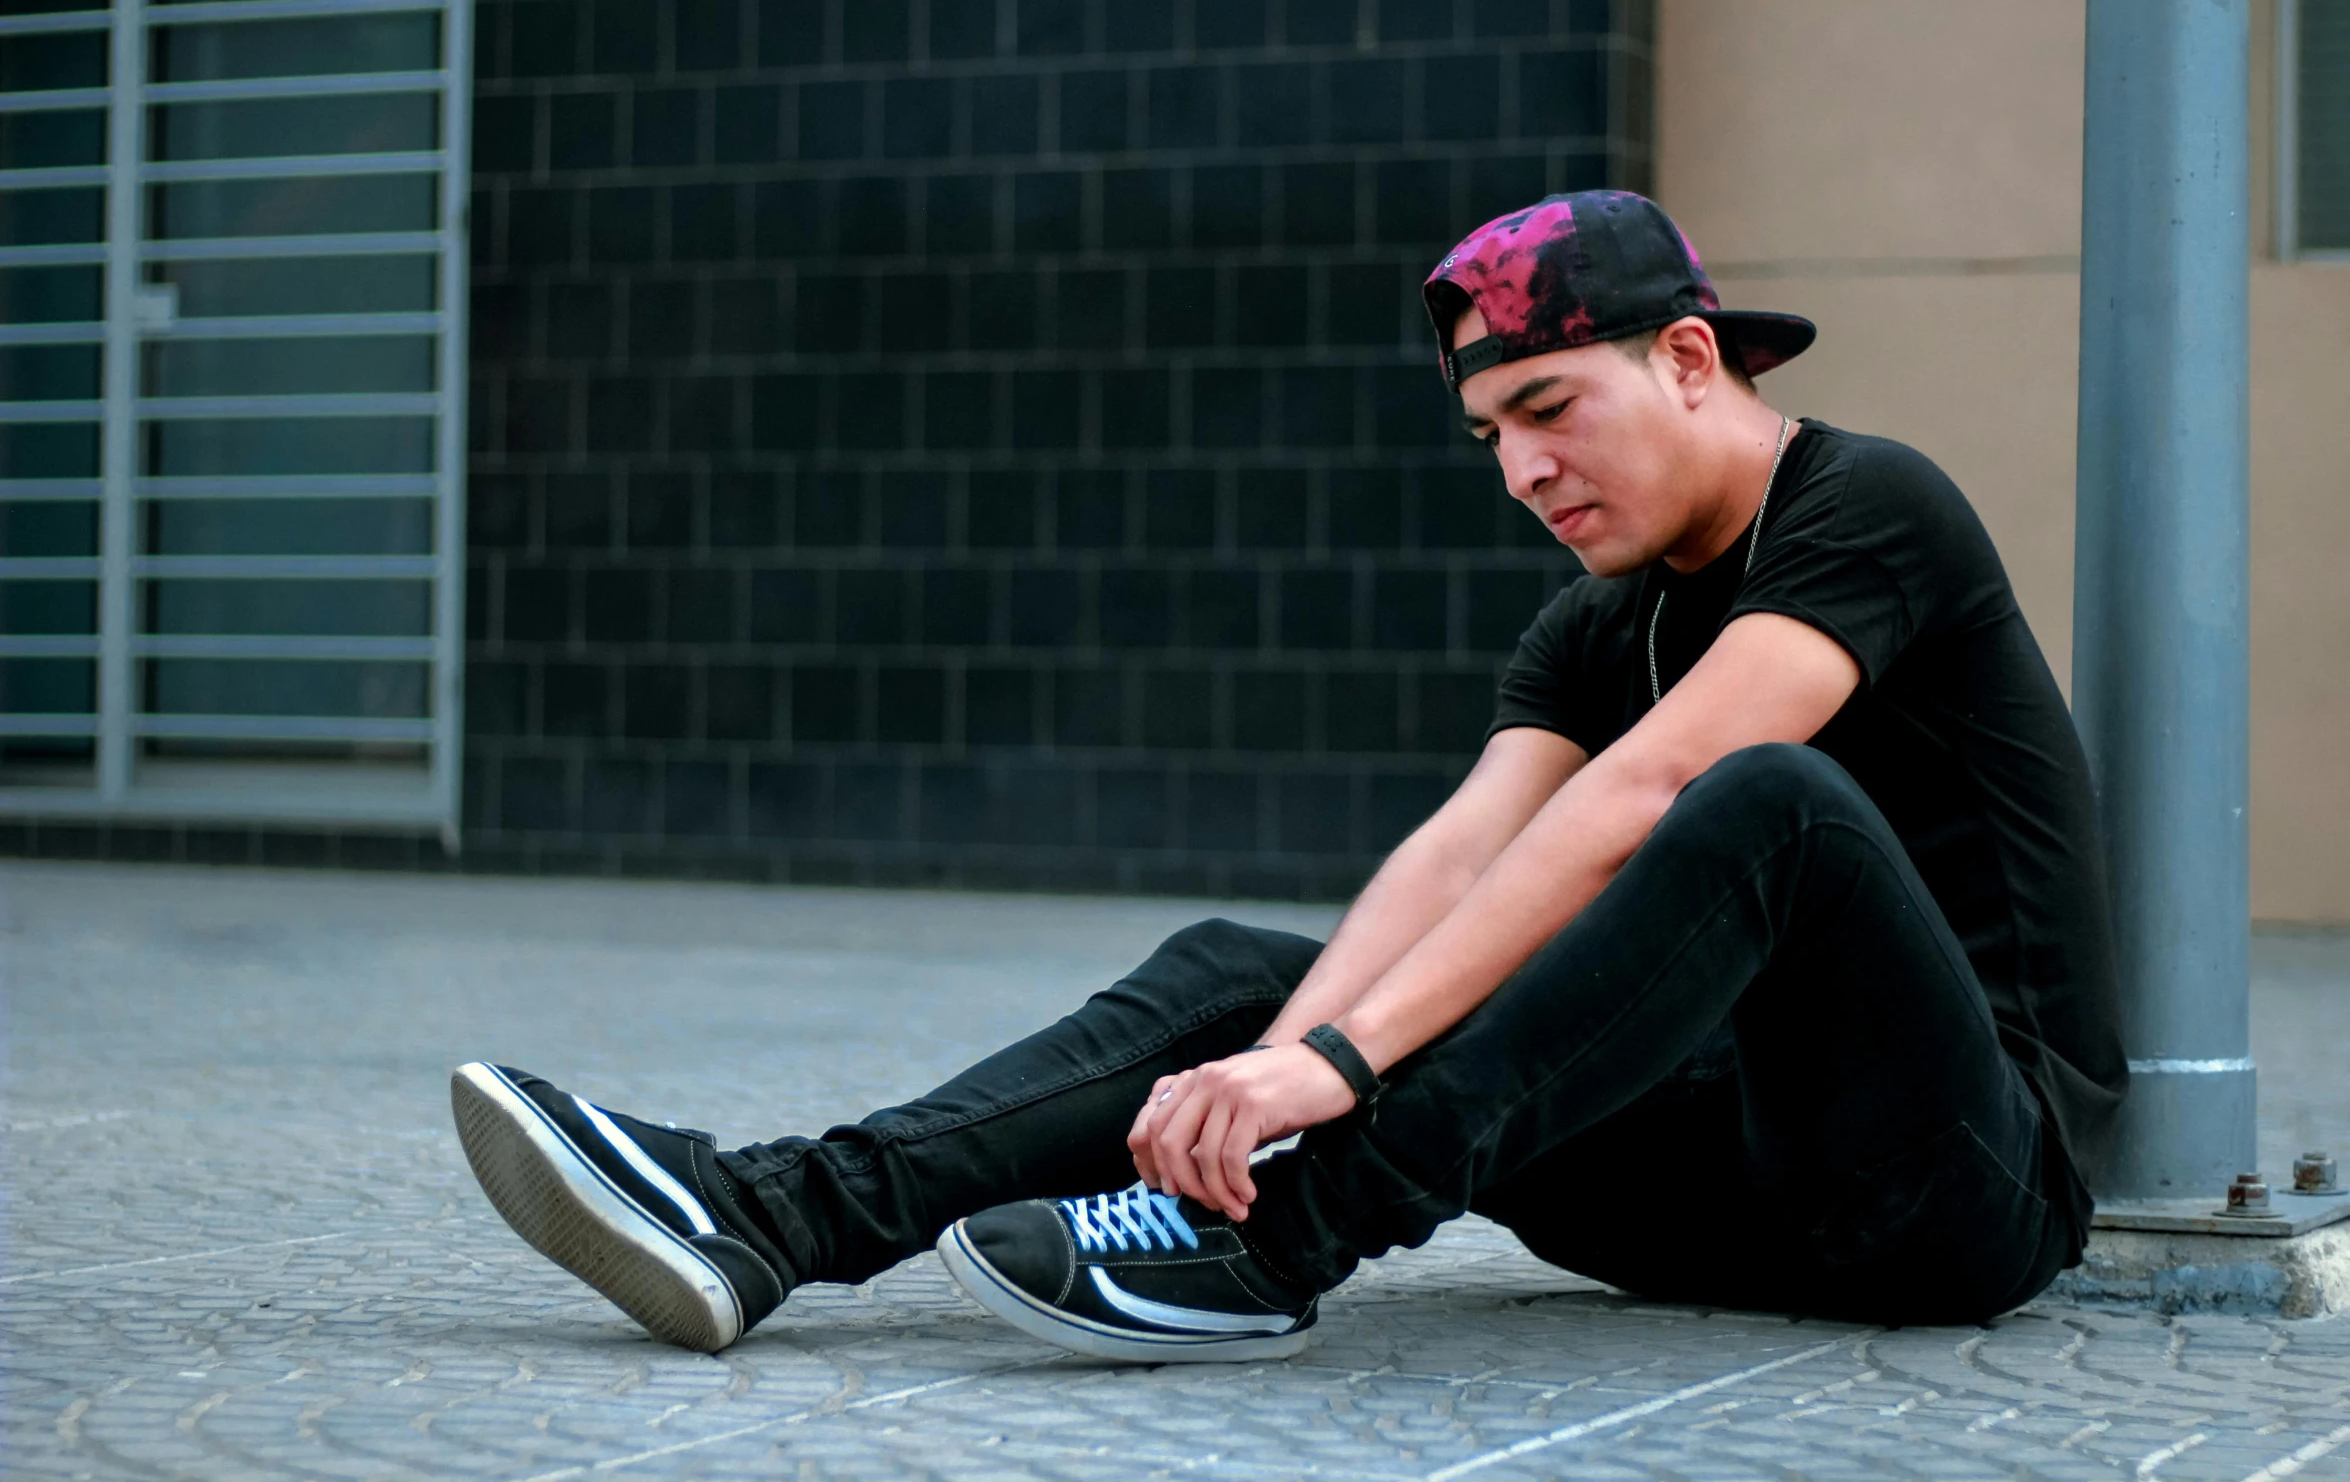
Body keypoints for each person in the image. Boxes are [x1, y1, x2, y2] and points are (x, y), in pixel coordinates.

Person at [450, 191, 2126, 1361]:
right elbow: (1464, 848)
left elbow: (1644, 797)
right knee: (1234, 974)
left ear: (1689, 358)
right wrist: (1259, 1070)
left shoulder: (1861, 509)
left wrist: (1335, 1070)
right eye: (1490, 439)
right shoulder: (1588, 623)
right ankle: (770, 1216)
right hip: (1707, 1193)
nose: (1525, 470)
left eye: (1549, 407)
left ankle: (1271, 1247)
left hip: (1953, 1188)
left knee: (1760, 810)